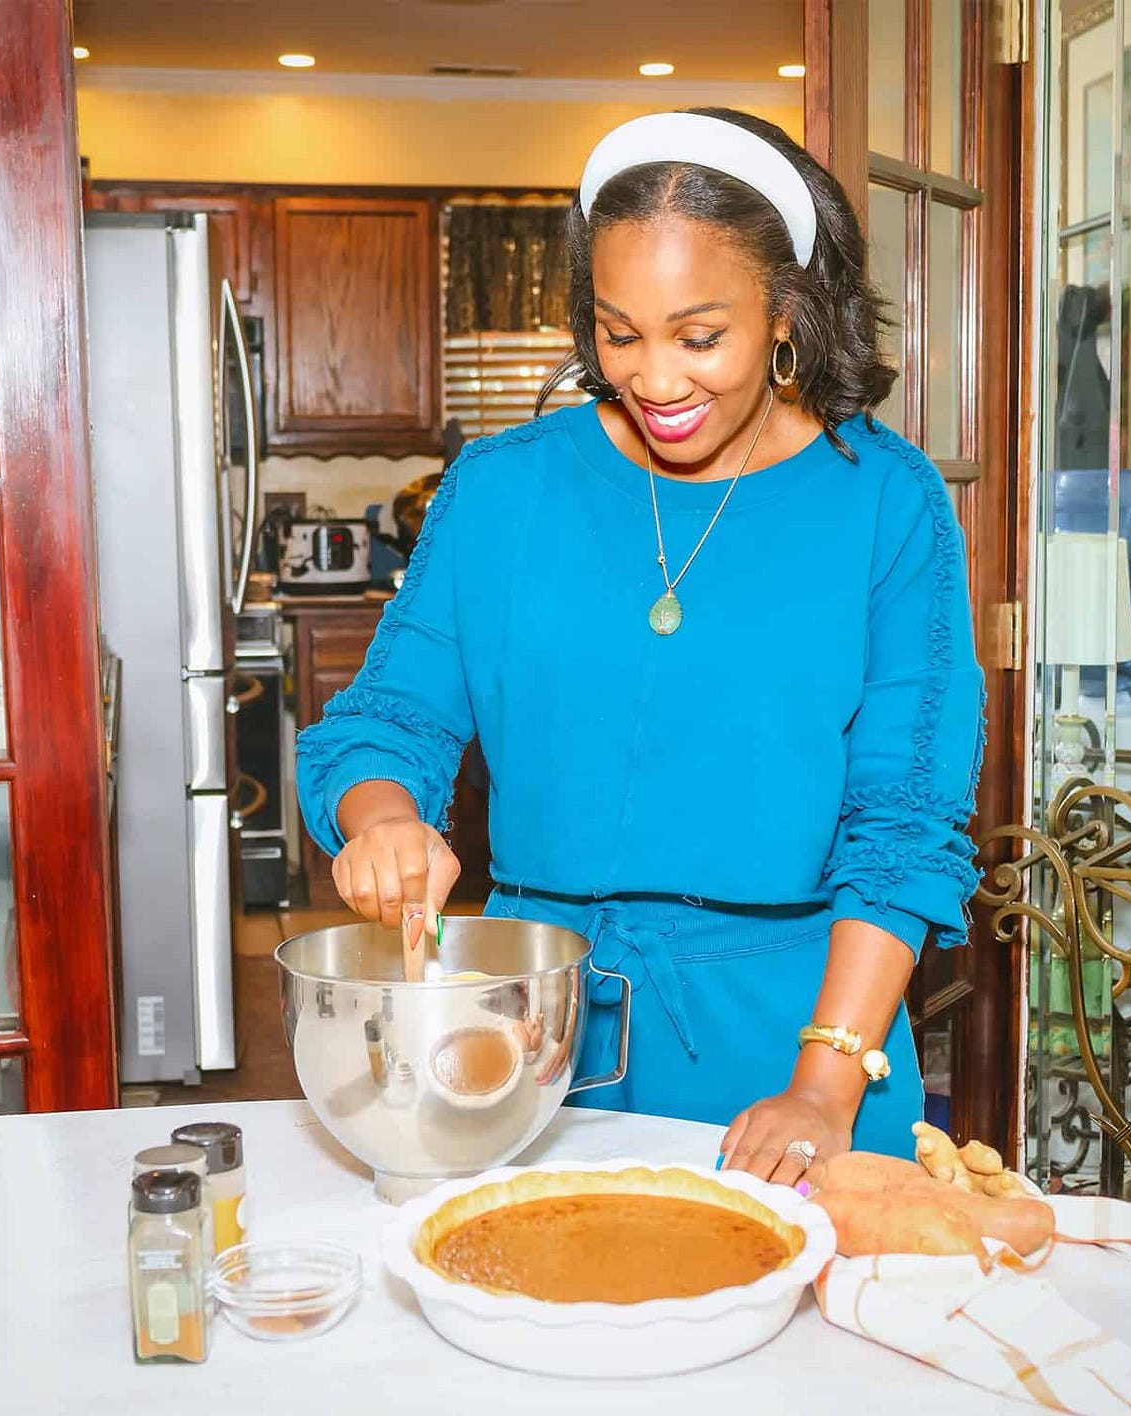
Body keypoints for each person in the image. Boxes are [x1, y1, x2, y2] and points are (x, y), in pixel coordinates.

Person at [296, 108, 985, 1186]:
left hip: (799, 1045)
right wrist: (383, 821)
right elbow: (388, 721)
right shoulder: (502, 487)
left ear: (788, 311)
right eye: (620, 335)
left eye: (699, 337)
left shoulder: (886, 500)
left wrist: (822, 1083)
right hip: (534, 1033)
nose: (656, 381)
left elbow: (904, 825)